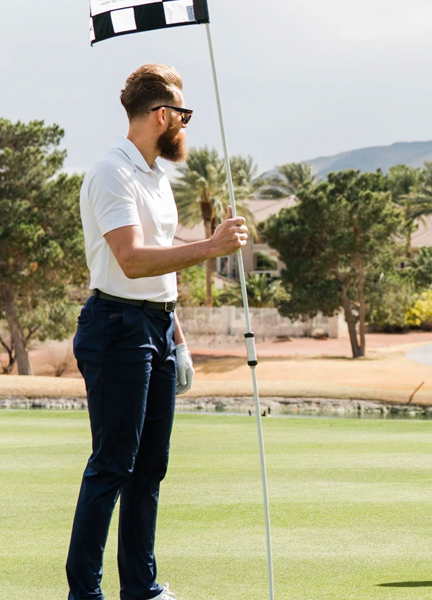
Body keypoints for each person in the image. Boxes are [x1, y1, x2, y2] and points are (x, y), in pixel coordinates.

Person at [67, 64, 249, 600]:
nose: (185, 125)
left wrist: (179, 335)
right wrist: (212, 248)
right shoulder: (111, 172)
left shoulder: (154, 177)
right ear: (162, 115)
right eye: (183, 115)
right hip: (116, 326)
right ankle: (85, 593)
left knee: (150, 466)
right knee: (113, 465)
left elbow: (162, 272)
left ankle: (140, 589)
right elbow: (131, 260)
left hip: (157, 326)